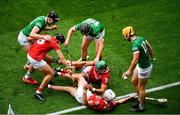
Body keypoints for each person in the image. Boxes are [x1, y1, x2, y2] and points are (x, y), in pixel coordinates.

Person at [48, 73, 135, 111]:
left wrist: (85, 91)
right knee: (67, 89)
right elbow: (119, 101)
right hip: (82, 97)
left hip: (83, 96)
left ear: (106, 98)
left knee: (81, 78)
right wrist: (129, 97)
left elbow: (86, 104)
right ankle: (49, 86)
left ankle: (58, 73)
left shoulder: (98, 103)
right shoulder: (110, 104)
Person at [23, 33, 70, 101]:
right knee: (51, 73)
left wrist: (57, 61)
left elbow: (30, 38)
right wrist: (68, 65)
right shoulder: (55, 44)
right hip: (35, 58)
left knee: (46, 62)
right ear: (59, 41)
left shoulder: (46, 35)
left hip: (30, 54)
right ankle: (38, 92)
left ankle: (27, 77)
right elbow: (62, 58)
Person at [121, 26, 154, 112]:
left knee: (141, 88)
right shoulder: (140, 38)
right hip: (141, 65)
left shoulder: (135, 45)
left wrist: (129, 71)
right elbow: (149, 47)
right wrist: (152, 57)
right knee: (133, 81)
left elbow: (135, 59)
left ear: (127, 35)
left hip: (144, 68)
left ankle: (141, 107)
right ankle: (140, 98)